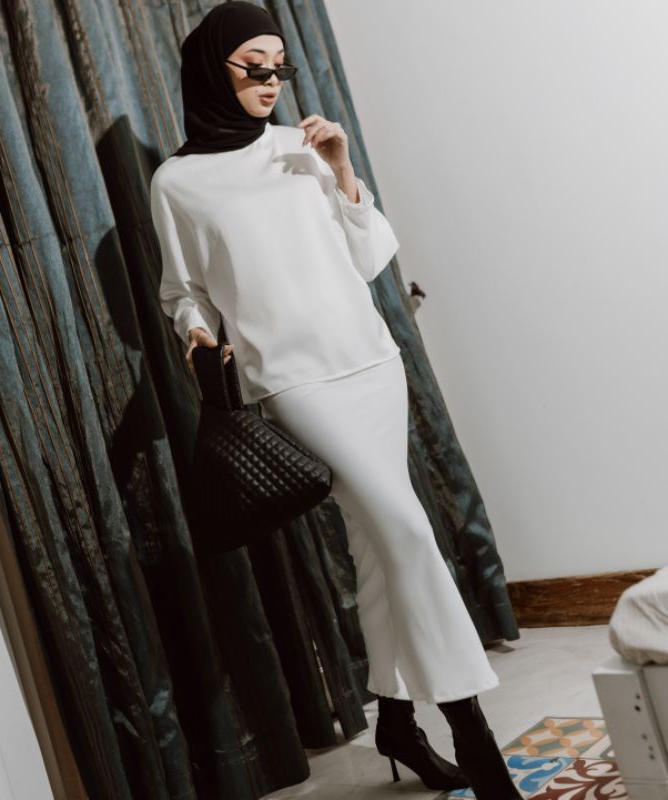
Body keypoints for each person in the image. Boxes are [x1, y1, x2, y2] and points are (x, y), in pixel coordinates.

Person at [150, 3, 523, 798]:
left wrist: (343, 167)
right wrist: (196, 334)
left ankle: (396, 719)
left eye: (280, 66)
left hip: (370, 361)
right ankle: (473, 731)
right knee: (408, 532)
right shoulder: (177, 183)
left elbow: (367, 257)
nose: (271, 80)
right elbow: (182, 291)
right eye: (254, 65)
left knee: (380, 549)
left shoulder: (302, 146)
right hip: (292, 381)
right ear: (213, 68)